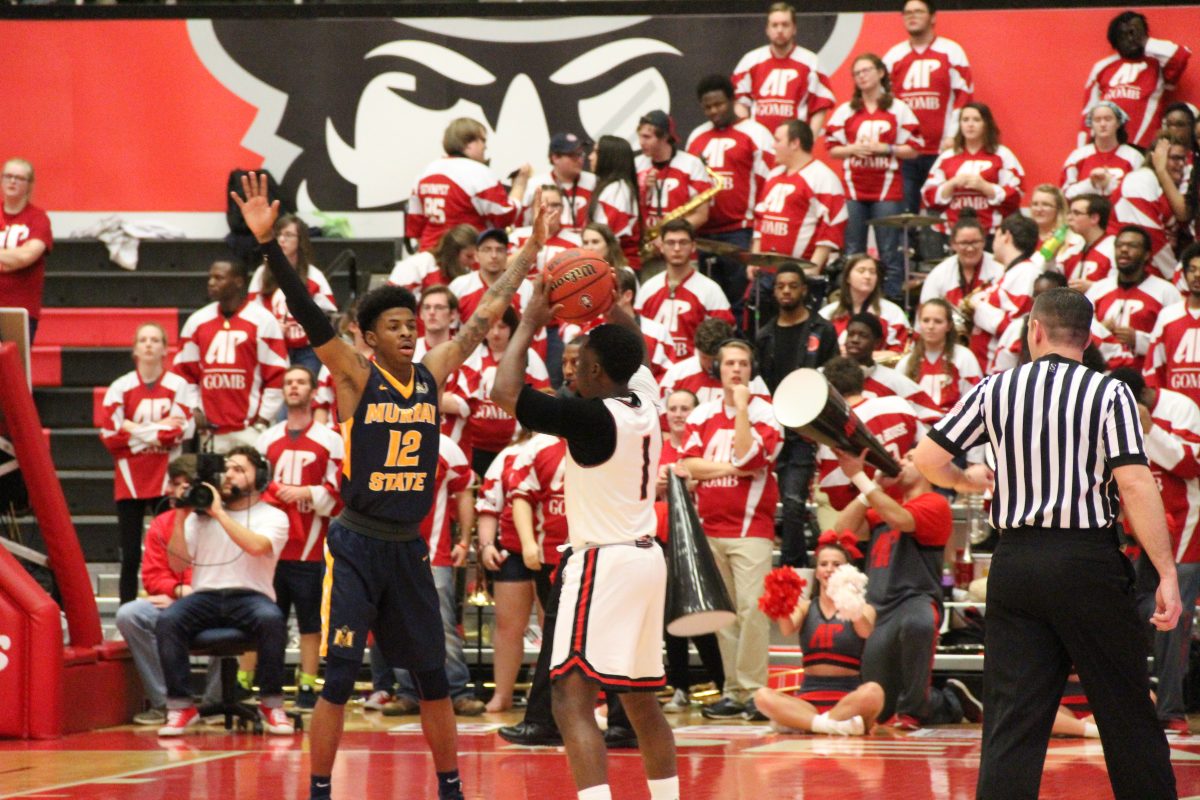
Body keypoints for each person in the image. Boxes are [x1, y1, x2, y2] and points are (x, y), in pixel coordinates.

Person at [232, 172, 552, 800]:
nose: (410, 331)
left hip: (408, 548)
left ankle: (451, 787)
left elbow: (487, 311)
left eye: (413, 323)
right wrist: (269, 247)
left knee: (434, 679)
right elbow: (305, 309)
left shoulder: (432, 374)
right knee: (340, 678)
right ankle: (321, 789)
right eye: (397, 325)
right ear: (371, 336)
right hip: (356, 545)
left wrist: (529, 251)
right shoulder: (353, 374)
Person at [914, 287, 1182, 800]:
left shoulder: (996, 388)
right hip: (1087, 561)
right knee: (1125, 710)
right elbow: (1134, 482)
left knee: (1012, 721)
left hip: (1014, 562)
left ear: (1034, 330)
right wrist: (1165, 572)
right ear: (1086, 337)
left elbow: (927, 459)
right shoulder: (1109, 393)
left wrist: (972, 480)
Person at [491, 273, 679, 800]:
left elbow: (503, 391)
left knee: (570, 695)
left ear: (597, 370)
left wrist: (531, 320)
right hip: (645, 562)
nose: (571, 371)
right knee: (641, 702)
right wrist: (605, 304)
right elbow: (632, 343)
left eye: (578, 364)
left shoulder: (591, 417)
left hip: (603, 562)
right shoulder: (645, 396)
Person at [832, 446, 979, 730]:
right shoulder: (883, 505)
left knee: (918, 624)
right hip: (879, 605)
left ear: (927, 470)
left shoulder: (935, 503)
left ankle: (914, 710)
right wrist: (870, 486)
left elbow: (901, 519)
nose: (900, 462)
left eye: (909, 458)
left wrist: (861, 479)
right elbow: (842, 529)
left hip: (916, 597)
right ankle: (951, 700)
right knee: (882, 708)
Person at [155, 446, 293, 736]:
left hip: (251, 596)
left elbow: (256, 546)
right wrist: (181, 517)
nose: (230, 475)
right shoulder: (199, 517)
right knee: (168, 620)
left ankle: (271, 704)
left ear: (261, 478)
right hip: (205, 595)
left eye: (240, 470)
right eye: (228, 468)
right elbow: (176, 563)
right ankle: (181, 706)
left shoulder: (273, 516)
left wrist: (218, 513)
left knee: (272, 619)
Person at [679, 339, 782, 722]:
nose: (736, 370)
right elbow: (689, 465)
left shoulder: (767, 412)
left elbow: (752, 456)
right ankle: (733, 691)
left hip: (751, 526)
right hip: (710, 527)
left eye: (742, 363)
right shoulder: (701, 414)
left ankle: (755, 692)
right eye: (729, 364)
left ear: (751, 370)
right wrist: (731, 470)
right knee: (724, 614)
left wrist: (741, 409)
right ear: (718, 369)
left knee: (753, 610)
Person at [1110, 367, 1200, 736]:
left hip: (1183, 529)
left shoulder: (1178, 408)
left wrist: (1151, 430)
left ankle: (1171, 708)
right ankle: (1131, 701)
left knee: (1172, 619)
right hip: (1135, 530)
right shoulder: (1113, 412)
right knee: (1130, 613)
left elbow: (1193, 464)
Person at [255, 366, 344, 710]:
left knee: (310, 621)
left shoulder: (330, 439)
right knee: (270, 620)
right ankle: (268, 682)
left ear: (312, 391)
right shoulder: (266, 438)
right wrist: (280, 492)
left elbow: (339, 492)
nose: (294, 387)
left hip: (310, 547)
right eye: (289, 383)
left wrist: (305, 491)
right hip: (272, 550)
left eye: (301, 382)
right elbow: (257, 485)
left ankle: (308, 685)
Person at [380, 432, 483, 719]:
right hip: (390, 550)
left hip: (433, 551)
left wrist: (464, 541)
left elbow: (463, 492)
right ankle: (409, 692)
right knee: (398, 624)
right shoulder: (381, 438)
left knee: (443, 624)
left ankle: (458, 691)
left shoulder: (445, 446)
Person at [114, 456, 220, 726]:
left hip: (215, 601)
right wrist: (177, 589)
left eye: (185, 485)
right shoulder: (162, 523)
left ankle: (216, 702)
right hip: (174, 601)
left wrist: (195, 593)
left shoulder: (224, 519)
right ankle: (167, 702)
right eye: (174, 484)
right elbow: (152, 576)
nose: (178, 491)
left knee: (236, 609)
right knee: (130, 614)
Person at [100, 322, 194, 604]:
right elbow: (109, 436)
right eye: (143, 340)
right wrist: (157, 430)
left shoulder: (178, 386)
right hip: (129, 481)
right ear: (135, 349)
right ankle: (126, 612)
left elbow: (179, 431)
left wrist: (132, 428)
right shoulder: (120, 387)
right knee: (130, 555)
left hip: (167, 480)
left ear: (165, 348)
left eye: (155, 340)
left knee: (172, 548)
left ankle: (175, 605)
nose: (149, 344)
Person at [753, 533, 885, 735]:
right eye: (823, 564)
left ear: (848, 570)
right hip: (808, 699)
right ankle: (830, 725)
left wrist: (849, 598)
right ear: (816, 572)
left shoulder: (864, 608)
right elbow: (787, 629)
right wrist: (779, 602)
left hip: (848, 698)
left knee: (874, 692)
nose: (829, 569)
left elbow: (865, 631)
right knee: (761, 696)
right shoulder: (806, 607)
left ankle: (811, 724)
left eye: (836, 565)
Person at [755, 262, 839, 567]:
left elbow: (833, 378)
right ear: (774, 291)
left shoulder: (822, 330)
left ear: (804, 289)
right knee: (772, 504)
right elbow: (760, 384)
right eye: (780, 286)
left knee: (792, 502)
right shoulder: (764, 335)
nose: (787, 291)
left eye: (792, 285)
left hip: (807, 428)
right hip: (773, 428)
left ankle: (795, 569)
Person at [825, 53, 922, 300]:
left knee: (890, 251)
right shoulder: (846, 111)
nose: (862, 76)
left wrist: (886, 148)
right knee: (853, 251)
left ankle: (892, 302)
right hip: (854, 190)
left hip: (887, 190)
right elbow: (831, 147)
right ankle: (851, 301)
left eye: (866, 70)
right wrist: (852, 149)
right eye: (856, 73)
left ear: (880, 73)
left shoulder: (898, 109)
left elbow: (914, 147)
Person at [170, 259, 288, 453]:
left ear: (239, 282)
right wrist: (194, 409)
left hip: (250, 430)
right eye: (210, 277)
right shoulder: (197, 321)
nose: (211, 282)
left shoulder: (263, 320)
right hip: (210, 432)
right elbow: (183, 373)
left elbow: (278, 373)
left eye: (219, 278)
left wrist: (263, 419)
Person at [656, 388, 726, 713]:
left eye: (686, 408)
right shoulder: (656, 450)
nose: (679, 413)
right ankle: (680, 687)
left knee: (703, 616)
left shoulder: (705, 450)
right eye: (674, 408)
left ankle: (724, 683)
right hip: (662, 540)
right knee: (671, 617)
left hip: (700, 540)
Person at [687, 74, 776, 311]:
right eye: (707, 107)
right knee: (706, 302)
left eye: (719, 104)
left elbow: (769, 185)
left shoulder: (756, 133)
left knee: (739, 302)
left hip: (740, 232)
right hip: (704, 234)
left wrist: (760, 232)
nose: (714, 111)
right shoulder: (696, 137)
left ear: (733, 100)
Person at [883, 0, 974, 215]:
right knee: (905, 217)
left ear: (933, 17)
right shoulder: (893, 56)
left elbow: (964, 95)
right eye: (907, 13)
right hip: (906, 153)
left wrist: (954, 136)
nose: (912, 16)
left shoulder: (951, 51)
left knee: (939, 214)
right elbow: (883, 102)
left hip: (941, 150)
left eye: (918, 12)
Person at [815, 356, 924, 512]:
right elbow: (928, 454)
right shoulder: (899, 404)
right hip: (914, 507)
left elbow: (838, 499)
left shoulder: (835, 433)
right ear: (862, 382)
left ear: (829, 392)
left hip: (873, 516)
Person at [406, 117, 531, 252]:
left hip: (430, 255)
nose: (485, 147)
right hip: (466, 258)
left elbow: (415, 226)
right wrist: (519, 185)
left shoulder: (425, 172)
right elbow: (506, 216)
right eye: (482, 140)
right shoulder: (479, 172)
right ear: (467, 143)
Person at [460, 306, 550, 476]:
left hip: (515, 447)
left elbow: (544, 399)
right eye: (491, 327)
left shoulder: (528, 357)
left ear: (512, 328)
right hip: (474, 447)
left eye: (502, 327)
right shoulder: (471, 355)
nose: (495, 333)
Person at [1081, 11, 1191, 150]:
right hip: (1107, 150)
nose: (1131, 38)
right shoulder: (1102, 67)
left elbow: (1181, 55)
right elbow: (1088, 113)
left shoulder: (1157, 64)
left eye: (1135, 32)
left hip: (1144, 148)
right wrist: (1083, 152)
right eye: (1124, 35)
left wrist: (1145, 42)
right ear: (1115, 40)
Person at [248, 214, 336, 376]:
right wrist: (273, 327)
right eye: (278, 235)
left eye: (288, 235)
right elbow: (252, 312)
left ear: (300, 240)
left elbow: (328, 314)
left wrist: (305, 326)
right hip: (273, 346)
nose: (282, 240)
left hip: (307, 349)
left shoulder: (314, 276)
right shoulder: (262, 274)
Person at [752, 120, 847, 272]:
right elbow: (760, 219)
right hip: (766, 272)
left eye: (778, 140)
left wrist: (813, 269)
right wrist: (755, 258)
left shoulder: (823, 178)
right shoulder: (773, 175)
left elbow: (832, 226)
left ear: (795, 143)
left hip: (799, 276)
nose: (773, 145)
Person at [635, 219, 734, 362]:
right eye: (670, 243)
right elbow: (636, 331)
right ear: (661, 246)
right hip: (653, 369)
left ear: (693, 246)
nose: (676, 248)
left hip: (692, 371)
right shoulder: (648, 288)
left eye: (683, 242)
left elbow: (723, 338)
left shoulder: (711, 290)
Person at [921, 102, 1024, 237]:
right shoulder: (947, 157)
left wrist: (986, 187)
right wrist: (951, 184)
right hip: (951, 234)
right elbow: (928, 195)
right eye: (965, 120)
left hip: (991, 232)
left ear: (986, 124)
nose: (970, 124)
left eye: (976, 120)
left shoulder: (1002, 154)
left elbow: (1016, 194)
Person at [730, 2, 835, 136]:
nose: (780, 30)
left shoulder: (811, 62)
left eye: (785, 25)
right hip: (760, 145)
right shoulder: (750, 61)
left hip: (795, 144)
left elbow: (820, 107)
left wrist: (809, 143)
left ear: (794, 28)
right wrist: (748, 138)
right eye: (774, 25)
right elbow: (740, 103)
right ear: (767, 29)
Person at [1087, 225, 1181, 371]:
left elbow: (1175, 342)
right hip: (1104, 375)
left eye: (1132, 246)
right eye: (1119, 245)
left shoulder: (1166, 291)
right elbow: (1082, 334)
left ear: (1147, 254)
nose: (1124, 250)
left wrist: (1138, 340)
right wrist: (1101, 331)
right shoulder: (1098, 289)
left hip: (1144, 378)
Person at [561, 265, 673, 381]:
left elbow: (669, 376)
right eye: (601, 294)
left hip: (647, 396)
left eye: (610, 294)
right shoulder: (589, 334)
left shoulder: (657, 332)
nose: (604, 299)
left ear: (627, 295)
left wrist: (646, 397)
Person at [1109, 131, 1191, 280]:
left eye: (1183, 159)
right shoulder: (1140, 179)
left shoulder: (1169, 185)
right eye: (1174, 158)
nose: (1181, 164)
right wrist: (1175, 276)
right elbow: (1151, 235)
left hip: (1156, 268)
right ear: (1156, 157)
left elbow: (1184, 214)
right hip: (1137, 270)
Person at [968, 213, 1041, 369]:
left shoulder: (1026, 273)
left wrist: (978, 305)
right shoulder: (1013, 272)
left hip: (999, 369)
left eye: (996, 235)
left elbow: (1014, 328)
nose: (993, 242)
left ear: (1006, 235)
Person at [636, 110, 713, 256]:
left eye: (647, 137)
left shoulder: (691, 164)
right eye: (640, 136)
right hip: (646, 249)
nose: (641, 142)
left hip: (680, 250)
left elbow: (702, 214)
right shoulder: (636, 164)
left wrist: (669, 237)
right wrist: (642, 188)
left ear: (665, 137)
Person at [842, 313, 941, 424]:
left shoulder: (893, 380)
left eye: (863, 335)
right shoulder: (827, 375)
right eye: (851, 334)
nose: (855, 340)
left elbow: (933, 415)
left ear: (877, 343)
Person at [658, 317, 771, 409]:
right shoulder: (676, 376)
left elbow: (766, 416)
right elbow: (664, 426)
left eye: (715, 359)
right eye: (704, 358)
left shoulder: (750, 379)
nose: (710, 365)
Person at [896, 298, 981, 413]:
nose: (931, 326)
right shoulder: (906, 362)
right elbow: (899, 403)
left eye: (938, 321)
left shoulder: (964, 357)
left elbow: (973, 400)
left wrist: (951, 417)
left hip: (954, 425)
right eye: (926, 320)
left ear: (949, 326)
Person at [0, 158, 52, 343]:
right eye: (8, 176)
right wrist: (10, 259)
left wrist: (13, 259)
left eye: (19, 178)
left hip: (20, 311)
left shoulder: (38, 219)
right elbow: (19, 256)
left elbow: (26, 256)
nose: (12, 181)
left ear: (29, 185)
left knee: (14, 370)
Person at [818, 253, 911, 354]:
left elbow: (904, 351)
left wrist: (866, 356)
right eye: (861, 271)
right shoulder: (827, 313)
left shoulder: (893, 313)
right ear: (847, 278)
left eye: (872, 272)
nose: (867, 276)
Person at [1145, 243, 1200, 408]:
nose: (1197, 275)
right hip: (1177, 416)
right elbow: (1153, 368)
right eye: (1192, 269)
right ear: (1183, 274)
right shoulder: (1168, 316)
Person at [413, 286, 470, 444]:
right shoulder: (407, 351)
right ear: (421, 314)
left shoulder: (467, 354)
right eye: (427, 307)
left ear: (453, 315)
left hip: (453, 449)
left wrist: (411, 395)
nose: (432, 312)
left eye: (439, 307)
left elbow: (464, 405)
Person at [1060, 102, 1144, 200]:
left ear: (1118, 123)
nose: (1103, 124)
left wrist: (1109, 184)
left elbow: (1141, 194)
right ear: (1091, 124)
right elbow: (1064, 195)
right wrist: (1091, 184)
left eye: (1108, 119)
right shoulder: (1077, 156)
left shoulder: (1134, 157)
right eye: (1097, 120)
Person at [919, 215, 1002, 307]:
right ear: (953, 244)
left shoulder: (1001, 269)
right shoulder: (938, 275)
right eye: (964, 243)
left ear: (984, 242)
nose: (970, 248)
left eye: (975, 242)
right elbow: (926, 314)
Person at [586, 135, 641, 269]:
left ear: (609, 157)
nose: (590, 157)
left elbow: (604, 238)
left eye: (596, 152)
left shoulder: (616, 190)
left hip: (617, 268)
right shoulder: (613, 188)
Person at [522, 132, 596, 231]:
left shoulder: (594, 182)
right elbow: (523, 223)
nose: (580, 159)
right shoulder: (535, 184)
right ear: (555, 158)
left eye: (581, 154)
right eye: (573, 155)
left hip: (585, 242)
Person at [387, 224, 478, 300]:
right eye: (469, 256)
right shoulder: (416, 266)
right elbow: (392, 303)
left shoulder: (468, 274)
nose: (473, 262)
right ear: (452, 253)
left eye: (476, 256)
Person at [509, 184, 584, 271]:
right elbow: (502, 268)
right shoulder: (515, 236)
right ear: (533, 208)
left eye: (555, 205)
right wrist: (531, 244)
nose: (549, 210)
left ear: (563, 209)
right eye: (542, 205)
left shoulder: (575, 241)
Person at [1057, 194, 1115, 292]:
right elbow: (1054, 279)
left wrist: (1093, 287)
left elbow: (1120, 285)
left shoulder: (1114, 247)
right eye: (1069, 213)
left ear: (1094, 218)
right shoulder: (1073, 250)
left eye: (1076, 213)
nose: (1069, 218)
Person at [1027, 184, 1068, 254]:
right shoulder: (1023, 237)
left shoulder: (1068, 239)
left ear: (1058, 209)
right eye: (1035, 204)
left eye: (1046, 204)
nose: (1039, 209)